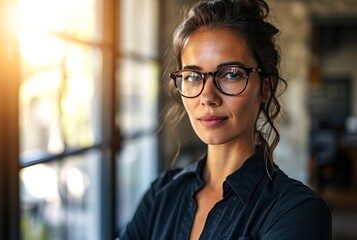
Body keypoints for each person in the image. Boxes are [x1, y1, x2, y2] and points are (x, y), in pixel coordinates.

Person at [119, 0, 332, 239]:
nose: (208, 97)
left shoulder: (295, 211)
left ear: (265, 87)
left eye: (231, 74)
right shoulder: (161, 195)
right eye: (192, 76)